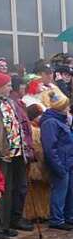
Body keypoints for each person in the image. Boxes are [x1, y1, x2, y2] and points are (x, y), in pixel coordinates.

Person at [0, 72, 32, 237]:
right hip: (1, 153)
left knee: (21, 186)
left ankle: (14, 219)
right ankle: (0, 225)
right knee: (4, 190)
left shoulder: (11, 102)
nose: (10, 88)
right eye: (8, 85)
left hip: (17, 151)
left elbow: (19, 123)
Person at [39, 92, 73, 231]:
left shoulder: (61, 120)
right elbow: (49, 148)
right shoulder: (51, 122)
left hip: (68, 161)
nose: (68, 109)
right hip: (61, 163)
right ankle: (57, 219)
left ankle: (68, 216)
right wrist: (58, 166)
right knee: (59, 191)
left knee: (69, 191)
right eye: (66, 107)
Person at [24, 103, 50, 224]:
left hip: (43, 164)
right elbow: (36, 148)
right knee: (33, 190)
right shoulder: (33, 130)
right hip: (36, 164)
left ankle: (43, 212)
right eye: (39, 115)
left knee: (43, 190)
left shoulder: (41, 128)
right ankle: (32, 214)